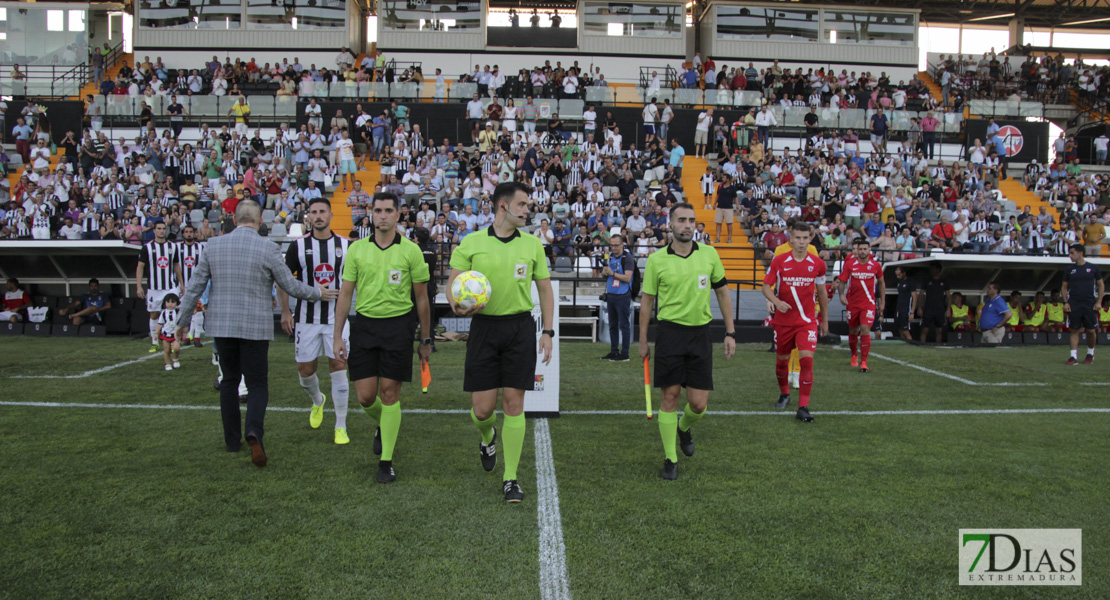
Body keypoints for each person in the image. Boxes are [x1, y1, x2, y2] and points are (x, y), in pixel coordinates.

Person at [174, 201, 338, 467]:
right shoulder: (268, 247)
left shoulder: (212, 246)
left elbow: (194, 287)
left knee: (229, 380)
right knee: (258, 383)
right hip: (255, 327)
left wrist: (182, 321)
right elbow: (290, 286)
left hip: (222, 326)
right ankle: (253, 431)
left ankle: (231, 440)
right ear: (260, 220)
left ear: (235, 218)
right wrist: (319, 292)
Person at [447, 181, 554, 503]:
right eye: (522, 205)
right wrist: (460, 307)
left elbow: (546, 290)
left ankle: (511, 479)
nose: (527, 210)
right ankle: (486, 437)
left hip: (519, 328)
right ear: (503, 207)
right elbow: (453, 290)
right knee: (482, 412)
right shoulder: (472, 242)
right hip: (483, 329)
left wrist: (547, 332)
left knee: (513, 404)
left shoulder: (533, 245)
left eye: (528, 205)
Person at [333, 192, 431, 482]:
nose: (383, 215)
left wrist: (425, 340)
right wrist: (337, 335)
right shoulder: (357, 250)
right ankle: (382, 424)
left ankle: (386, 461)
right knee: (365, 398)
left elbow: (422, 300)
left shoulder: (411, 250)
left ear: (399, 215)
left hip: (398, 328)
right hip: (364, 326)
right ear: (371, 214)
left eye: (389, 210)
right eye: (378, 210)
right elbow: (345, 294)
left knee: (390, 393)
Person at [638, 203, 735, 480]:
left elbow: (723, 294)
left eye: (691, 220)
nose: (687, 225)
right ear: (670, 224)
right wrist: (643, 340)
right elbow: (647, 303)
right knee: (669, 397)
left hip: (701, 334)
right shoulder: (657, 260)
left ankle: (684, 427)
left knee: (699, 404)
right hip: (669, 334)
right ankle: (670, 459)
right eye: (681, 220)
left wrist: (730, 332)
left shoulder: (709, 254)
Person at [277, 198, 353, 446]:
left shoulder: (346, 245)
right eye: (313, 212)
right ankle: (318, 400)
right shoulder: (297, 247)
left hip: (336, 318)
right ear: (308, 217)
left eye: (322, 212)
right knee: (305, 371)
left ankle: (340, 426)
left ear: (331, 215)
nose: (318, 216)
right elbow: (283, 280)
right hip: (306, 319)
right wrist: (286, 311)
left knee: (338, 366)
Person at [763, 221, 829, 423]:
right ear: (790, 239)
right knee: (782, 361)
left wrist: (824, 319)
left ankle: (803, 407)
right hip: (783, 322)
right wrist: (775, 301)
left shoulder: (818, 264)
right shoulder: (780, 260)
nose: (801, 242)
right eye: (797, 238)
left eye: (805, 238)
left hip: (807, 321)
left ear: (810, 239)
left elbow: (822, 292)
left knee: (807, 360)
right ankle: (784, 394)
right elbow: (766, 286)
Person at [837, 238, 884, 372]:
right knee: (853, 330)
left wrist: (883, 301)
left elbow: (881, 283)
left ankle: (864, 362)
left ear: (869, 250)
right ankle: (854, 355)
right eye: (860, 249)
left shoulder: (875, 266)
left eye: (865, 249)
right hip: (853, 304)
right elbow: (842, 281)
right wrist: (841, 294)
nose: (862, 251)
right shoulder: (850, 264)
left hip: (868, 303)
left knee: (865, 329)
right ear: (857, 250)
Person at [136, 222, 184, 353]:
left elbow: (176, 266)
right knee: (154, 314)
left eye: (164, 229)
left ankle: (174, 341)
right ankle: (155, 341)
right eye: (159, 229)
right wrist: (138, 285)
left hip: (170, 287)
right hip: (154, 287)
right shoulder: (147, 247)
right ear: (154, 231)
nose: (162, 231)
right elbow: (140, 267)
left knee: (174, 313)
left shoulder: (172, 247)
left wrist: (181, 284)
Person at [1062, 243, 1105, 365]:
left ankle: (1090, 353)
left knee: (1091, 330)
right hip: (1074, 303)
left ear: (1080, 253)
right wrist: (1066, 302)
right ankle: (1073, 357)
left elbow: (1101, 284)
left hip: (1090, 303)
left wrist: (1099, 302)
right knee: (1074, 330)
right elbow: (1064, 287)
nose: (1070, 255)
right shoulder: (1069, 269)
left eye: (1072, 253)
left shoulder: (1093, 268)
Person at [602, 234, 635, 361]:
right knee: (612, 325)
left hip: (622, 295)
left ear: (622, 244)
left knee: (624, 325)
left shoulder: (627, 258)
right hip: (611, 295)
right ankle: (614, 351)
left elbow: (627, 278)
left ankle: (625, 353)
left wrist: (612, 273)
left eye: (616, 245)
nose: (614, 248)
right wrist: (604, 273)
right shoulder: (610, 257)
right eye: (612, 245)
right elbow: (604, 275)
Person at [178, 225, 206, 347]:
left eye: (191, 232)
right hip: (182, 286)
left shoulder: (201, 247)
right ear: (183, 234)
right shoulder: (177, 248)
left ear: (194, 234)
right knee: (184, 311)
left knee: (198, 311)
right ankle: (186, 336)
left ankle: (196, 337)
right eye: (186, 232)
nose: (189, 234)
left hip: (198, 285)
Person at [917, 263, 950, 343]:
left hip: (940, 309)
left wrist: (948, 309)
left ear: (938, 270)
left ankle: (937, 347)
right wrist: (919, 307)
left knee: (939, 330)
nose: (931, 270)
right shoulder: (927, 280)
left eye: (933, 269)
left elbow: (949, 295)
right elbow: (921, 294)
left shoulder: (944, 281)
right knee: (924, 329)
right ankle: (922, 346)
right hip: (928, 309)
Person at [155, 293, 183, 371]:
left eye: (172, 302)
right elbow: (160, 323)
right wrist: (156, 333)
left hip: (175, 335)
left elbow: (183, 320)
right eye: (168, 302)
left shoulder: (178, 312)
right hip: (165, 334)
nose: (170, 304)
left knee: (176, 348)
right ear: (165, 303)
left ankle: (175, 358)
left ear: (177, 303)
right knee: (167, 350)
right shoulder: (163, 313)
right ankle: (167, 364)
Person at [893, 266, 916, 341]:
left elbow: (915, 297)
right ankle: (903, 346)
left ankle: (911, 345)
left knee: (905, 330)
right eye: (896, 275)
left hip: (906, 309)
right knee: (900, 329)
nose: (897, 276)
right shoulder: (899, 283)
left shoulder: (910, 283)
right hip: (899, 308)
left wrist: (912, 312)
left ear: (904, 273)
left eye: (899, 274)